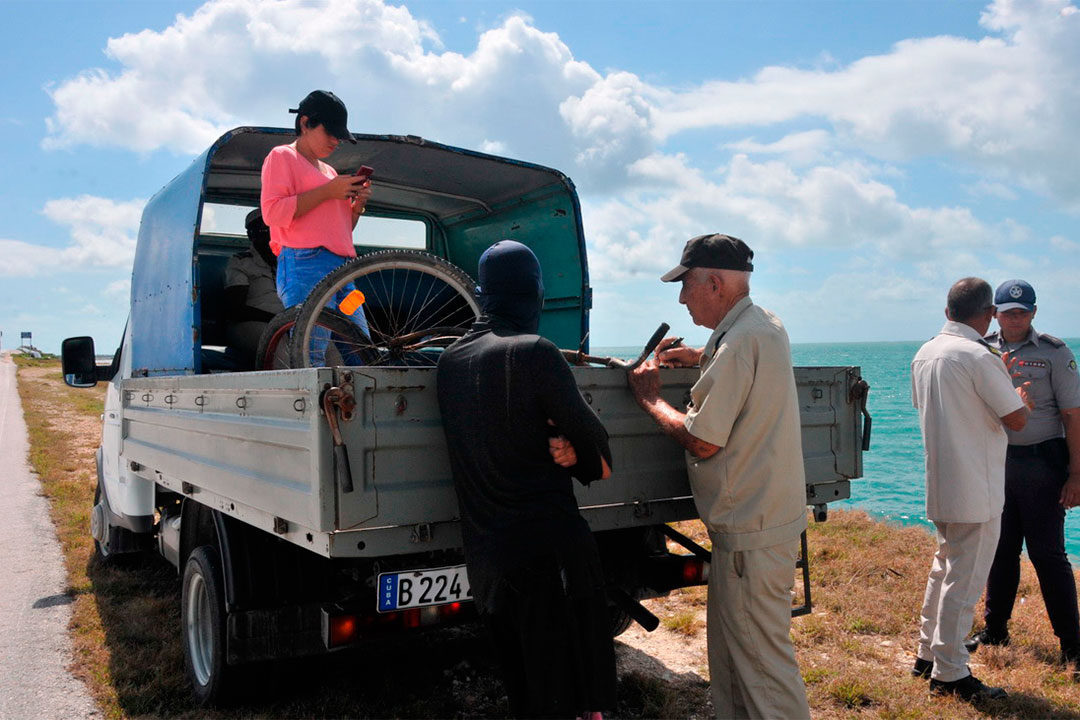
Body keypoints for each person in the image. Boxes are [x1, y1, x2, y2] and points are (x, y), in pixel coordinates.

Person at [627, 233, 811, 720]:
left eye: (686, 285)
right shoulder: (758, 325)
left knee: (763, 668)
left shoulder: (742, 339)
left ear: (713, 281)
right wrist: (702, 358)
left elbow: (704, 439)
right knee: (733, 658)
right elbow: (741, 369)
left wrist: (650, 400)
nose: (682, 297)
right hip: (758, 523)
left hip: (752, 530)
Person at [436, 240, 616, 719]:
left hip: (491, 567)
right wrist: (572, 449)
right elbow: (601, 463)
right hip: (552, 565)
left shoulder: (449, 363)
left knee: (529, 698)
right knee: (579, 705)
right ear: (535, 294)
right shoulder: (534, 353)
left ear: (481, 293)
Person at [909, 277, 1030, 701]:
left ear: (947, 313)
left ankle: (927, 653)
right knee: (965, 578)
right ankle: (950, 671)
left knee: (943, 568)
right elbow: (1016, 419)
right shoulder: (979, 356)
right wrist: (1021, 397)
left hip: (940, 479)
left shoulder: (925, 352)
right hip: (975, 485)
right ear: (988, 315)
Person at [966, 279, 1080, 673]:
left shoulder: (1054, 352)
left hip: (1043, 464)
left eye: (1022, 311)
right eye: (1006, 311)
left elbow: (1073, 415)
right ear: (994, 313)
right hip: (996, 462)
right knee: (1000, 549)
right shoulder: (981, 351)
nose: (1014, 318)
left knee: (1048, 555)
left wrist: (1077, 474)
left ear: (1033, 313)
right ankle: (995, 630)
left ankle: (1072, 645)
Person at [260, 89, 371, 360]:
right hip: (304, 265)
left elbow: (342, 230)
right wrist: (328, 192)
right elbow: (272, 213)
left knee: (364, 350)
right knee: (311, 351)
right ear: (305, 123)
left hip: (343, 272)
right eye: (330, 132)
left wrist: (357, 206)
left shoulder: (330, 172)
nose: (336, 141)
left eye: (339, 136)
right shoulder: (281, 156)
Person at [224, 209, 285, 368]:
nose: (270, 235)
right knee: (279, 348)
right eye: (264, 231)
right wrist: (277, 319)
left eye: (274, 229)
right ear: (251, 235)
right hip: (251, 323)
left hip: (287, 321)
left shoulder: (288, 260)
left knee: (328, 347)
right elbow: (235, 310)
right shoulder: (240, 262)